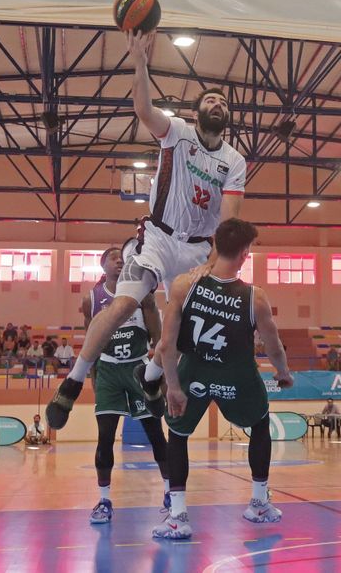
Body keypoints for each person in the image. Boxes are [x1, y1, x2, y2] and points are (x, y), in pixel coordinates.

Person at [48, 29, 246, 429]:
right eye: (210, 99)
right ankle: (73, 381)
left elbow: (228, 223)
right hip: (156, 237)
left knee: (186, 330)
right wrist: (139, 63)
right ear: (196, 112)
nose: (217, 104)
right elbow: (143, 110)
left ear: (227, 116)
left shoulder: (234, 160)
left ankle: (150, 377)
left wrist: (213, 261)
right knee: (123, 305)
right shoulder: (177, 133)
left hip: (195, 251)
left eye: (223, 102)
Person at [152, 218, 294, 540]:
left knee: (178, 434)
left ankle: (177, 516)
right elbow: (272, 345)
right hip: (237, 374)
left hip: (194, 371)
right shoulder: (255, 297)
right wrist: (283, 373)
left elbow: (166, 344)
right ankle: (258, 502)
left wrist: (173, 387)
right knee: (259, 424)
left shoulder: (183, 285)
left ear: (214, 244)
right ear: (245, 253)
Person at [85, 242, 172, 525]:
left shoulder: (143, 295)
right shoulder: (92, 298)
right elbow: (91, 342)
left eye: (120, 257)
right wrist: (93, 377)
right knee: (105, 437)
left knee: (156, 434)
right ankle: (103, 499)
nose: (117, 260)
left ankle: (171, 493)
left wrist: (162, 377)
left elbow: (158, 339)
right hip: (109, 371)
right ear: (103, 266)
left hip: (138, 369)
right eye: (111, 257)